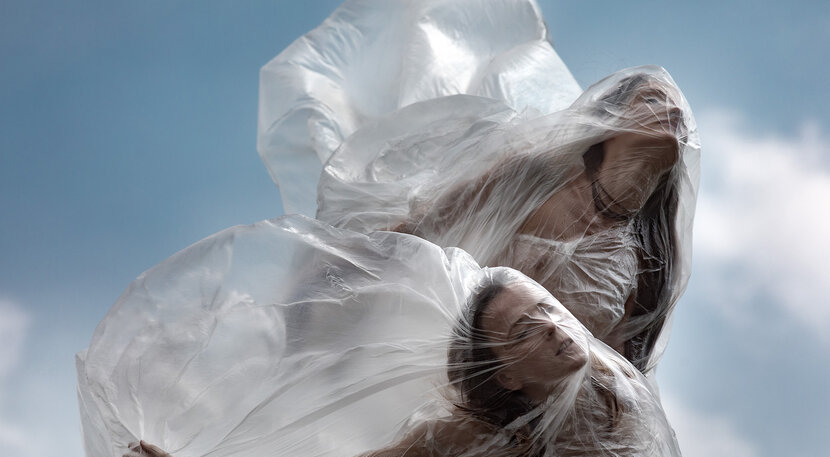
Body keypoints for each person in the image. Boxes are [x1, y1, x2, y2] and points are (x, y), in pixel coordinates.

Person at [257, 0, 700, 373]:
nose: (675, 112)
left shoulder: (648, 255)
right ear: (611, 119)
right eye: (651, 99)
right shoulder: (536, 174)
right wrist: (318, 290)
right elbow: (420, 227)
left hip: (543, 426)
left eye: (677, 108)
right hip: (452, 382)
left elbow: (624, 369)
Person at [118, 268, 699, 457]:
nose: (554, 327)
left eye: (547, 309)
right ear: (505, 375)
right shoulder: (471, 440)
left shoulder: (610, 378)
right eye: (524, 330)